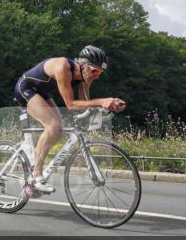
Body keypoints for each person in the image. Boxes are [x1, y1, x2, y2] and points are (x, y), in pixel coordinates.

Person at [13, 45, 126, 195]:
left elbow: (86, 103)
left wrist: (107, 107)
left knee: (58, 131)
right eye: (95, 71)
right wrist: (101, 101)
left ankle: (34, 163)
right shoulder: (63, 67)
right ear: (83, 65)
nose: (96, 75)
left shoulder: (85, 77)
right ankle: (36, 175)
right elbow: (71, 105)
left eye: (100, 73)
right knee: (53, 126)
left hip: (42, 93)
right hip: (26, 88)